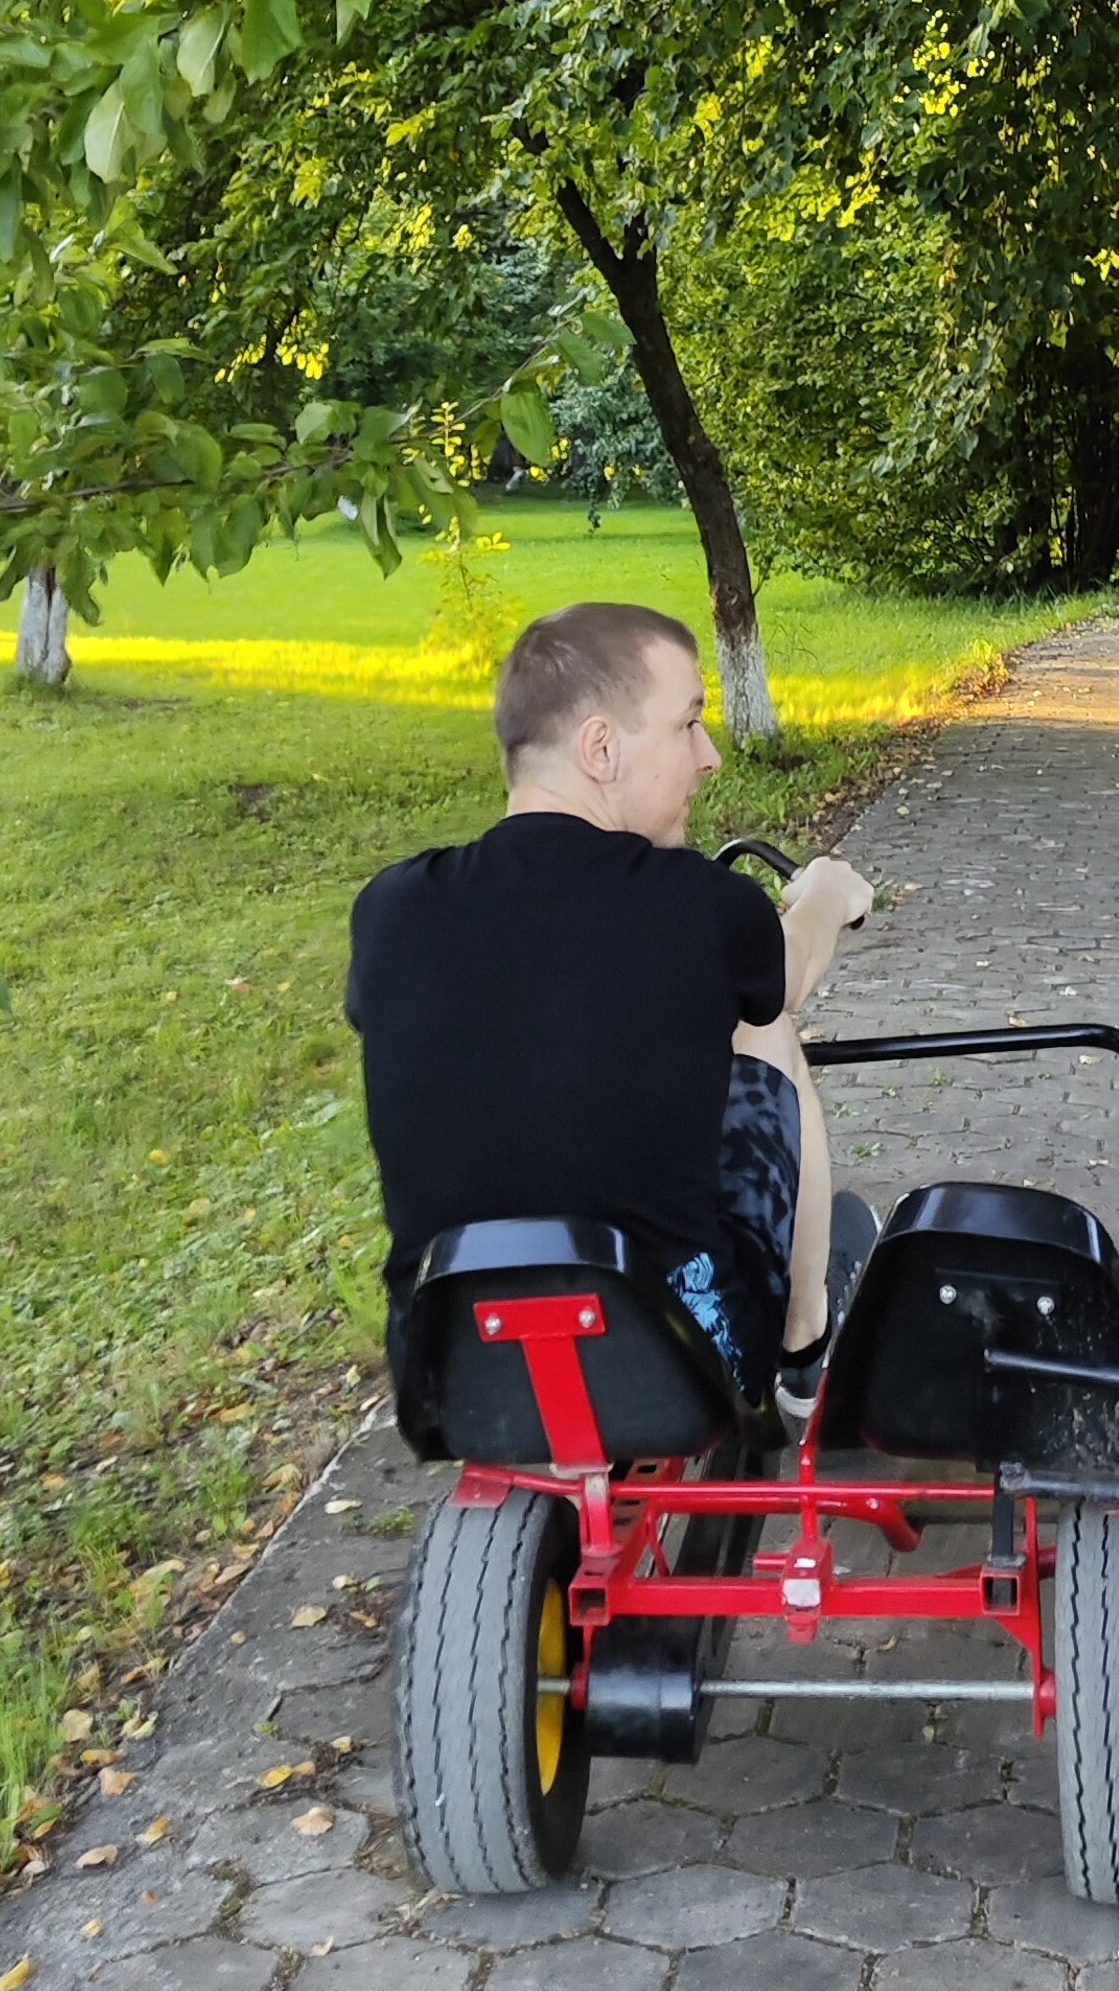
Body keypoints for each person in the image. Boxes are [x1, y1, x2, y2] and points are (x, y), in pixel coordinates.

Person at [349, 600, 876, 1423]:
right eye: (689, 724)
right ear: (601, 748)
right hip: (681, 1364)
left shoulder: (391, 908)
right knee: (763, 1020)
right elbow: (790, 968)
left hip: (445, 1373)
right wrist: (827, 895)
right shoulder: (698, 905)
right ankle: (805, 1348)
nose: (708, 756)